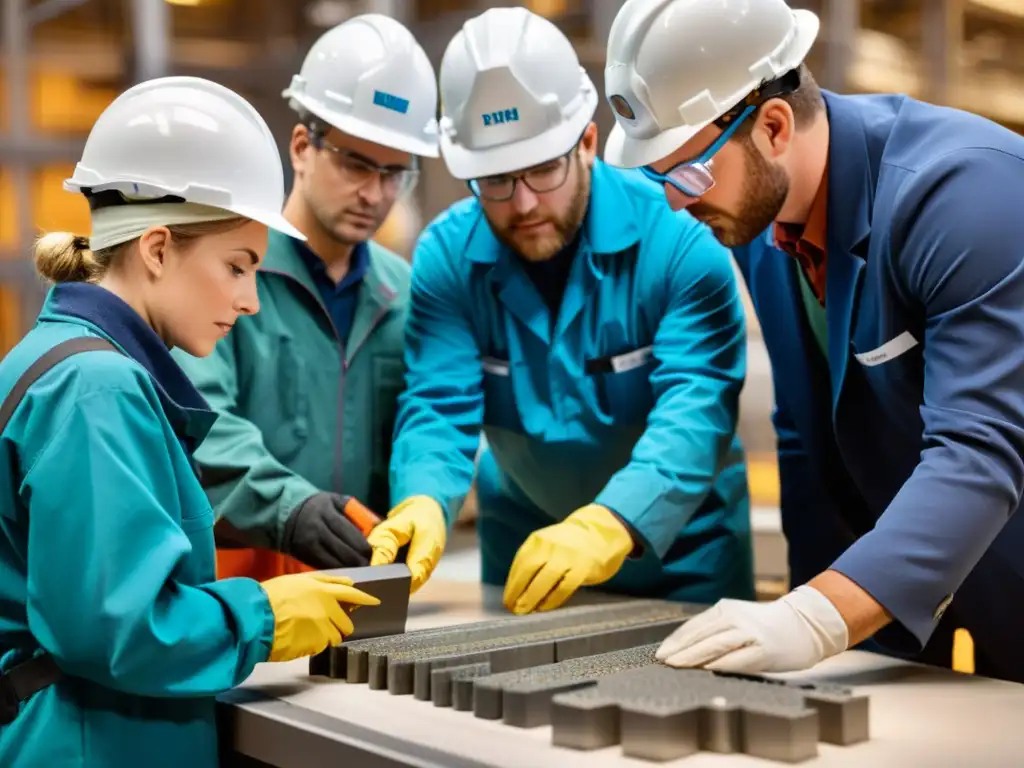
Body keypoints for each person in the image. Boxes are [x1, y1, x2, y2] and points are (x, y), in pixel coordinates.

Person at [602, 0, 1024, 684]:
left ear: (772, 126)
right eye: (658, 178)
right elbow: (807, 438)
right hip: (921, 573)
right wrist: (810, 638)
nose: (677, 203)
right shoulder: (764, 226)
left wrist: (818, 617)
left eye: (686, 174)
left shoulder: (965, 194)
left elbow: (980, 451)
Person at [0, 76, 380, 768]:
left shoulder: (73, 363)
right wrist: (264, 617)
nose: (250, 301)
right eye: (238, 268)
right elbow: (116, 626)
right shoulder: (96, 389)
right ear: (155, 248)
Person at [368, 6, 755, 614]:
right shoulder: (446, 256)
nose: (522, 204)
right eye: (495, 179)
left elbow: (698, 407)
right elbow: (439, 404)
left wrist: (610, 522)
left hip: (680, 548)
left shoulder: (678, 240)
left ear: (590, 143)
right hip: (524, 542)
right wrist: (421, 497)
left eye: (543, 169)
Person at [172, 15, 439, 582]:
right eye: (355, 163)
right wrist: (290, 509)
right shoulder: (231, 274)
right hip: (237, 580)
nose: (375, 193)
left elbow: (431, 420)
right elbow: (199, 420)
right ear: (301, 147)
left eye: (395, 173)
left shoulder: (404, 294)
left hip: (362, 583)